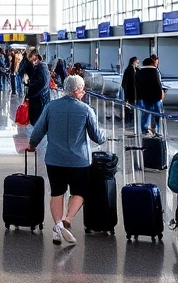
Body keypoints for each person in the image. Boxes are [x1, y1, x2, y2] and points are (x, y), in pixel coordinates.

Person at [27, 75, 106, 246]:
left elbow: (38, 130)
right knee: (79, 192)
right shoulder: (86, 110)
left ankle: (57, 226)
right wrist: (105, 135)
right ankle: (67, 220)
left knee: (57, 193)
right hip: (79, 161)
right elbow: (98, 137)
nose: (84, 91)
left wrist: (32, 145)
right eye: (83, 88)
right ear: (77, 90)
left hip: (54, 159)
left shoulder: (51, 107)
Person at [135, 55, 165, 136]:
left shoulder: (140, 72)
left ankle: (144, 130)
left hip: (144, 96)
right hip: (155, 97)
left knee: (146, 113)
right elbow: (158, 85)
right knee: (157, 113)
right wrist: (161, 96)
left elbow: (138, 85)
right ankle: (157, 129)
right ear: (152, 62)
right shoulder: (154, 71)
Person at [24, 52, 52, 126]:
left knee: (37, 122)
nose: (30, 60)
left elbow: (39, 85)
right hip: (39, 100)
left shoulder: (41, 69)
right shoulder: (39, 68)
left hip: (39, 101)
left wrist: (29, 95)